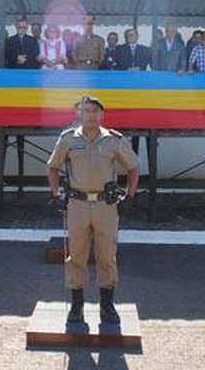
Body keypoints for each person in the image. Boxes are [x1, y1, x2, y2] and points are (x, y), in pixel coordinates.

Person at [47, 96, 139, 324]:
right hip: (77, 205)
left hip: (105, 206)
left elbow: (133, 167)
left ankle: (107, 305)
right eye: (86, 111)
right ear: (79, 114)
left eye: (95, 111)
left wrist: (130, 195)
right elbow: (53, 167)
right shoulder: (68, 139)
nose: (91, 115)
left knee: (107, 255)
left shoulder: (113, 140)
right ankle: (76, 306)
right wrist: (56, 194)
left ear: (102, 115)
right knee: (76, 254)